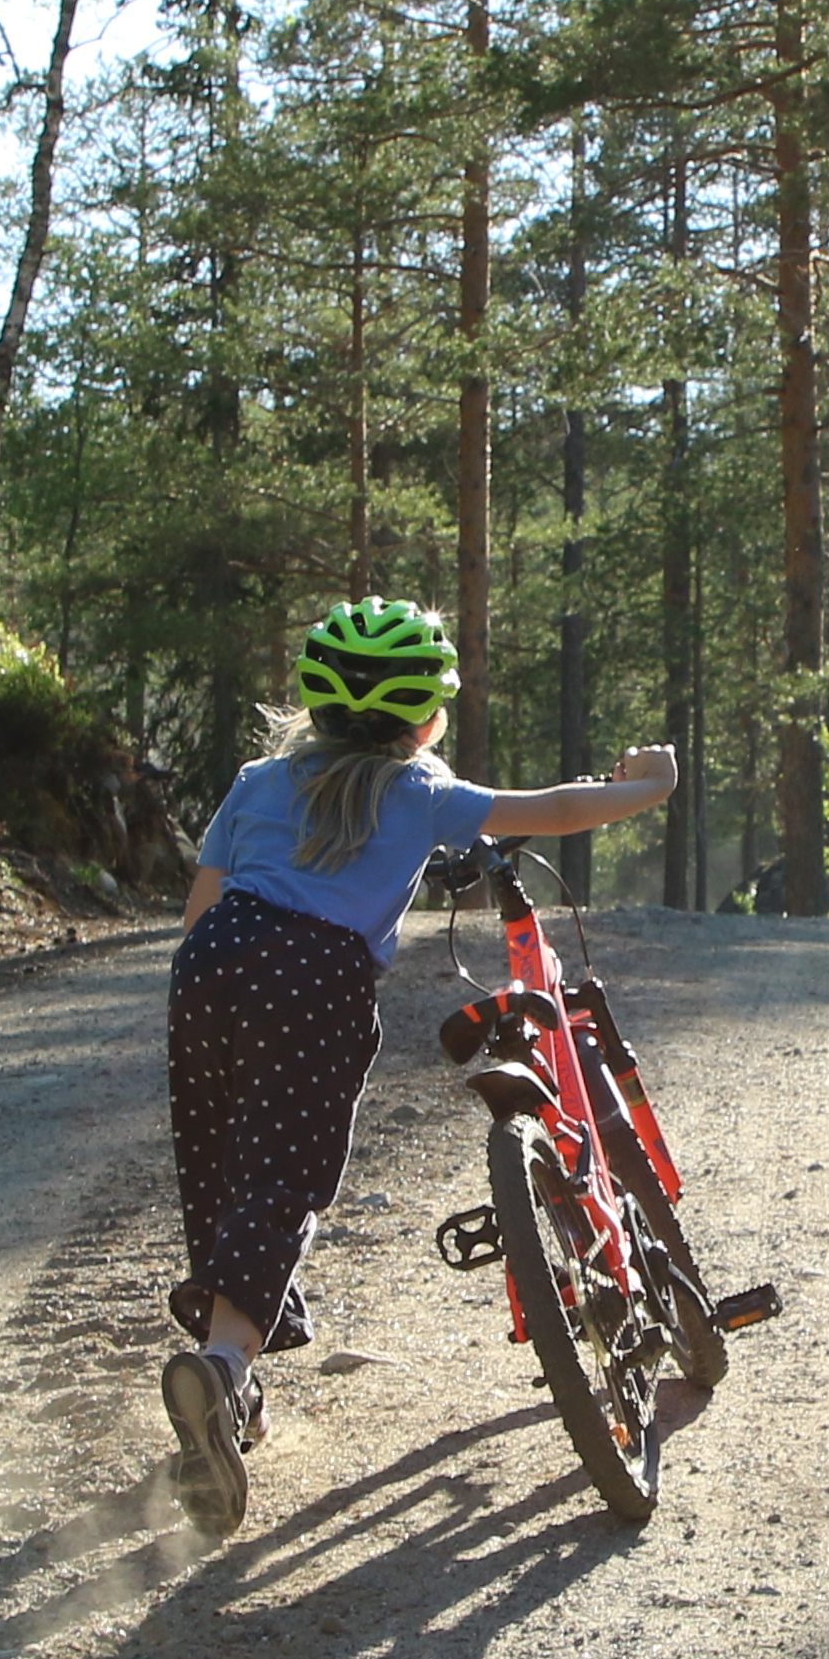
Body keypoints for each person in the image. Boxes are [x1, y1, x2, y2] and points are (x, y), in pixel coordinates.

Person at [164, 597, 673, 1505]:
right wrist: (649, 784)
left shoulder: (256, 780)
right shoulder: (418, 792)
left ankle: (229, 1373)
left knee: (223, 1162)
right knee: (285, 1171)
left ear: (316, 706)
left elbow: (201, 910)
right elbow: (553, 809)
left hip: (210, 965)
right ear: (427, 720)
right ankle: (226, 1368)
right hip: (314, 977)